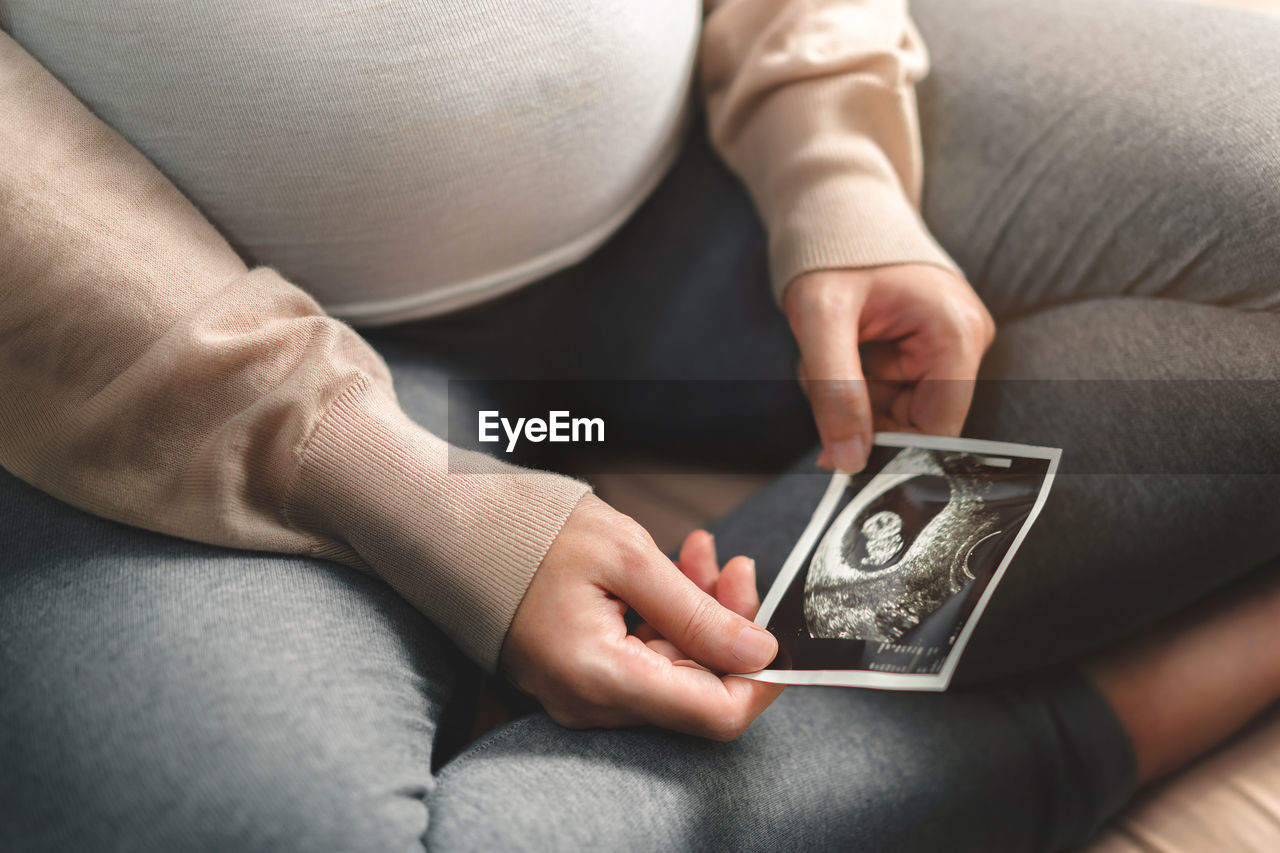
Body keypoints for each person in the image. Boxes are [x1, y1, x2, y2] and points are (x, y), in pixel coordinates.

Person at [1, 0, 1278, 850]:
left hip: (696, 190)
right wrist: (385, 476)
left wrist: (833, 163)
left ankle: (784, 653)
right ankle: (1081, 716)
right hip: (137, 372)